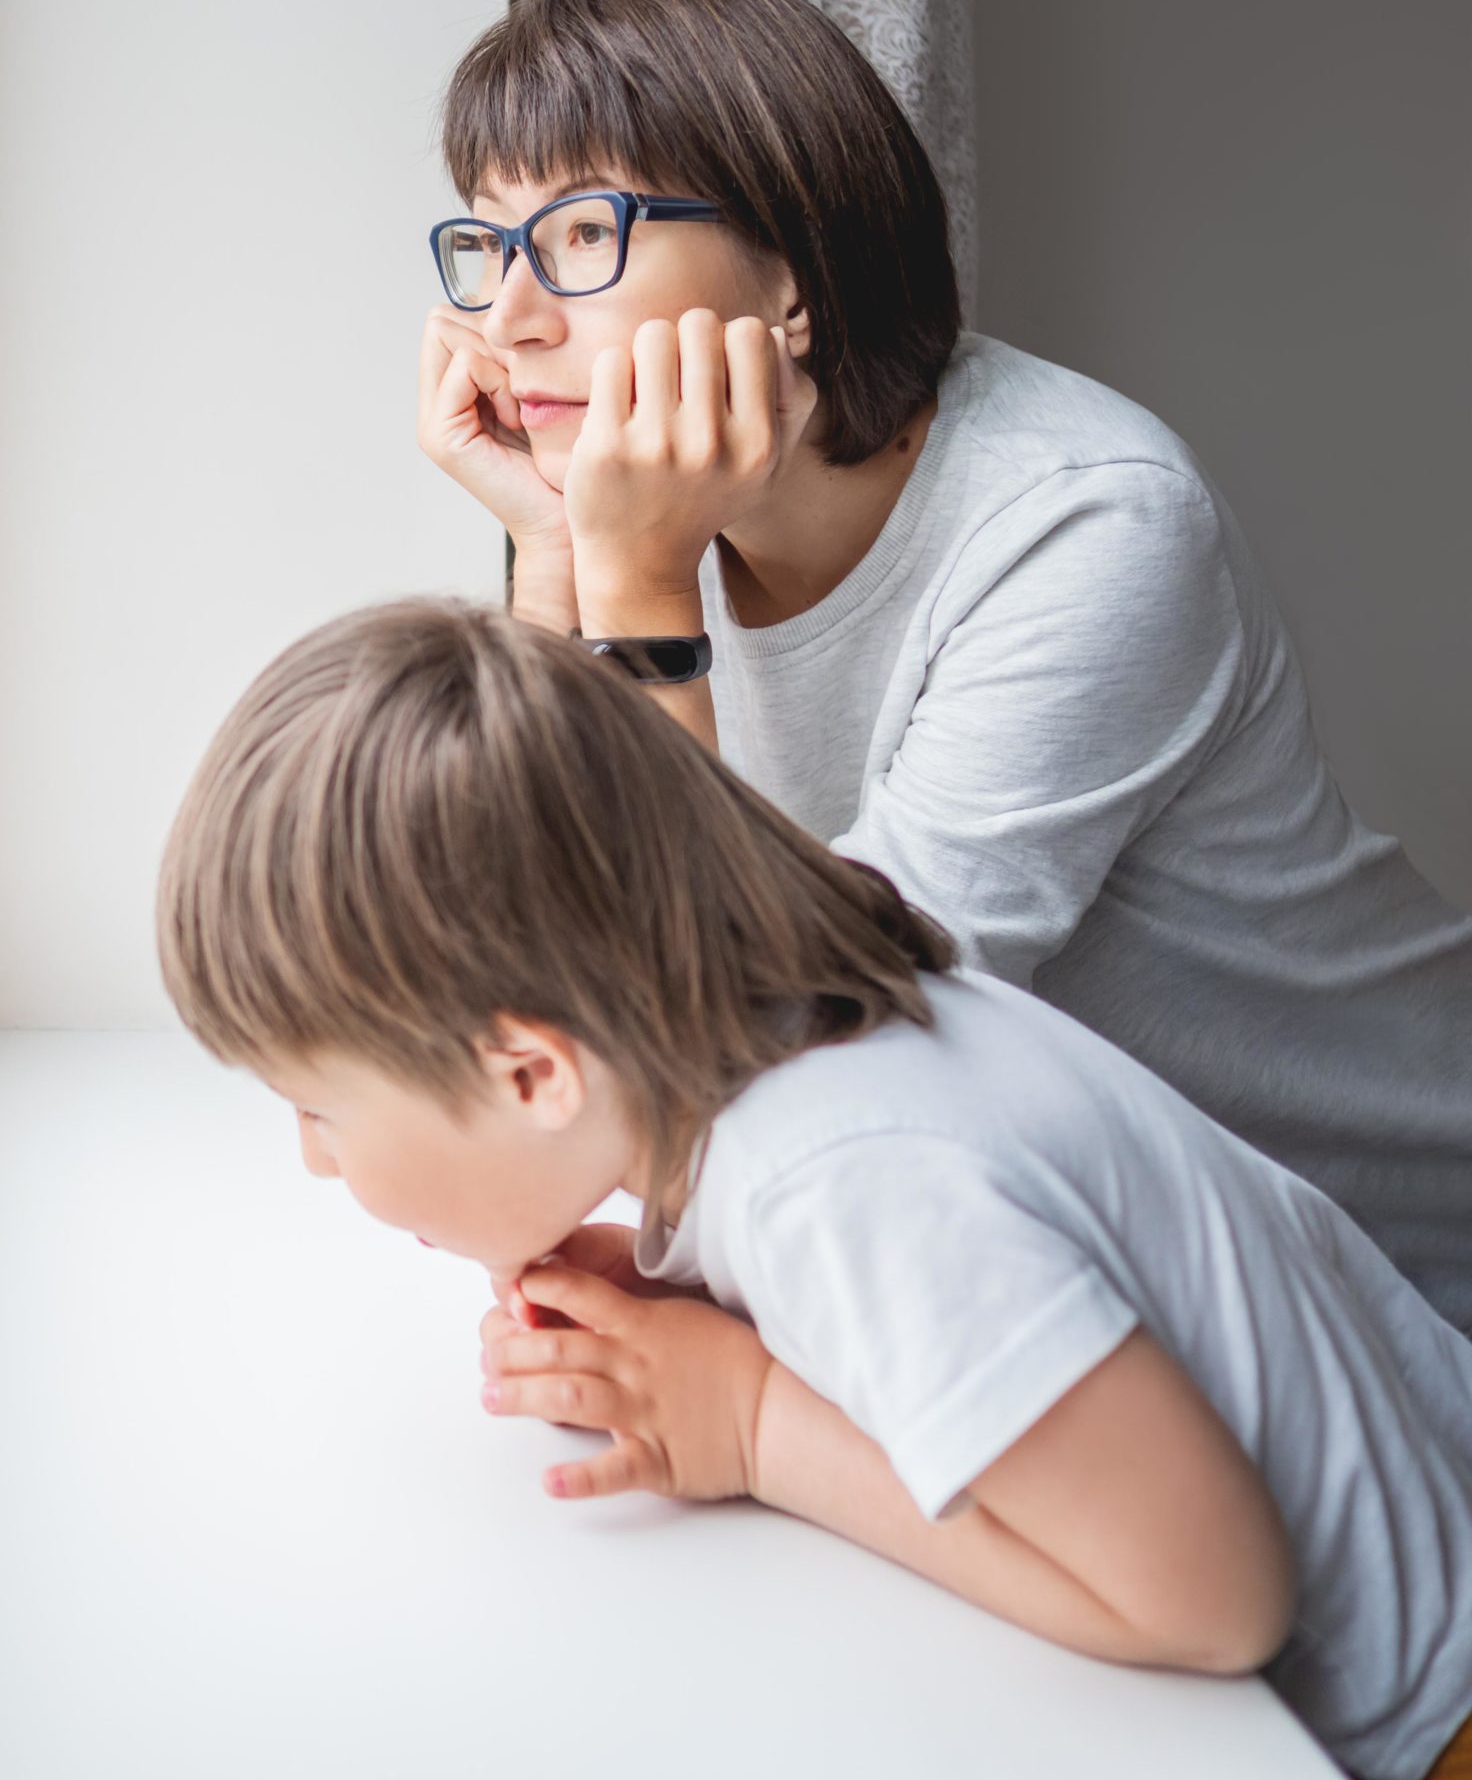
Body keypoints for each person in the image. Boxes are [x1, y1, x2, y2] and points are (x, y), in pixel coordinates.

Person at [154, 596, 1472, 1779]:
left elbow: (1206, 1597)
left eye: (319, 1110)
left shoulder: (839, 1180)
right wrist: (711, 1309)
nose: (314, 1160)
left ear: (530, 1074)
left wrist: (756, 1425)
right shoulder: (825, 1005)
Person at [415, 0, 1472, 1332]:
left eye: (577, 238)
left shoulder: (1092, 522)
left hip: (1401, 1277)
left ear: (792, 282)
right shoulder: (635, 523)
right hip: (1106, 1270)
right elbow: (546, 950)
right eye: (488, 249)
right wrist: (556, 563)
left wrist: (634, 583)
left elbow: (824, 1054)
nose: (510, 320)